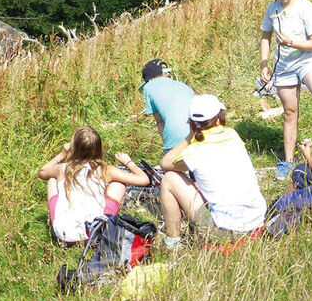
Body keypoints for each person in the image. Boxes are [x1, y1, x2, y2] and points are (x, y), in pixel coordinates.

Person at [159, 94, 267, 249]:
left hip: (225, 232)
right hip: (256, 220)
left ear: (191, 122)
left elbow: (165, 163)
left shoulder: (195, 151)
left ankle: (173, 243)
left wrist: (190, 136)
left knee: (169, 179)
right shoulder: (232, 135)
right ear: (218, 118)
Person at [259, 0, 312, 180]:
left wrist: (292, 42)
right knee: (290, 111)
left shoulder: (307, 8)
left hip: (308, 60)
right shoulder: (272, 8)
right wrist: (264, 64)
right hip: (284, 66)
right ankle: (288, 161)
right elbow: (265, 36)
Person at [38, 126, 150, 244]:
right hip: (95, 232)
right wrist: (128, 162)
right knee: (119, 183)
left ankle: (61, 224)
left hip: (64, 234)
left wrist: (62, 155)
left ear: (73, 147)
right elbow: (144, 179)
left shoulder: (62, 169)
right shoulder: (105, 170)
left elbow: (42, 172)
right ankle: (106, 222)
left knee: (52, 180)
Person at [141, 58, 195, 154]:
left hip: (176, 139)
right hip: (197, 135)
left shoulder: (148, 87)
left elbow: (159, 121)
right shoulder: (185, 86)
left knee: (167, 163)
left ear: (150, 79)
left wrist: (168, 147)